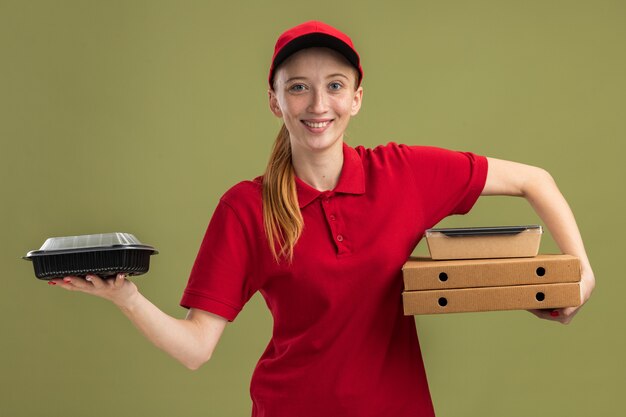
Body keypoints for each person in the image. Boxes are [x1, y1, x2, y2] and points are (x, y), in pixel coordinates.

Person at [49, 20, 595, 417]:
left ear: (356, 98)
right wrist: (125, 297)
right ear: (274, 100)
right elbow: (196, 349)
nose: (318, 103)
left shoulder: (402, 173)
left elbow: (534, 180)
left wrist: (580, 277)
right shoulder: (247, 206)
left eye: (334, 84)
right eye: (298, 87)